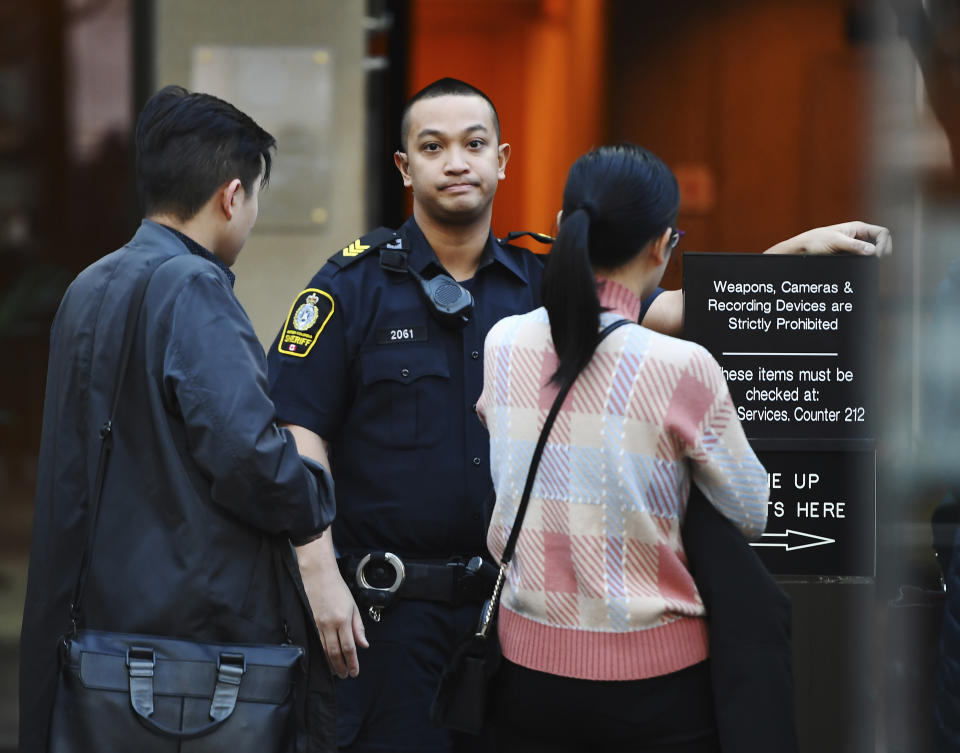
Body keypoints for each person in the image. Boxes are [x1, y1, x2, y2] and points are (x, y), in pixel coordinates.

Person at [266, 76, 892, 753]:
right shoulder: (350, 286)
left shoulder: (541, 281)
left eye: (474, 143)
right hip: (388, 613)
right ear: (404, 167)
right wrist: (315, 567)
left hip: (505, 617)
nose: (456, 161)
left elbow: (663, 309)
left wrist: (792, 256)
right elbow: (300, 427)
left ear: (502, 159)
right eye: (433, 145)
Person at [18, 86, 337, 753]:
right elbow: (250, 457)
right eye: (254, 197)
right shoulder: (193, 287)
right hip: (189, 657)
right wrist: (311, 479)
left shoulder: (90, 284)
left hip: (101, 638)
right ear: (231, 195)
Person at [477, 143, 768, 752]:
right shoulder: (682, 366)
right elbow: (750, 510)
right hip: (656, 684)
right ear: (664, 244)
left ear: (560, 230)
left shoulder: (503, 343)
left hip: (525, 675)